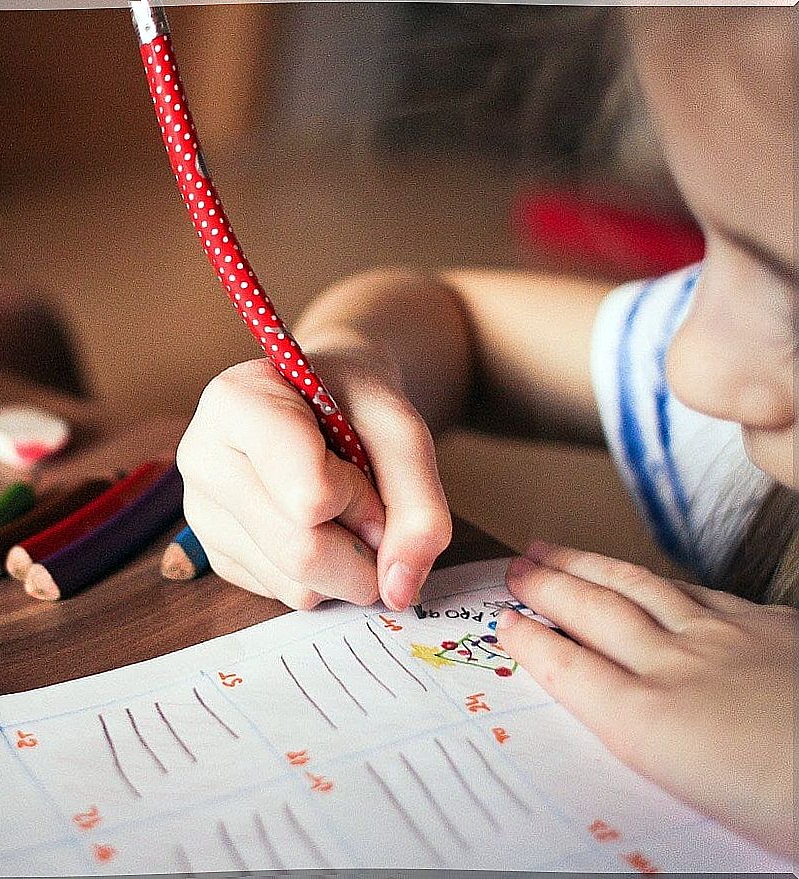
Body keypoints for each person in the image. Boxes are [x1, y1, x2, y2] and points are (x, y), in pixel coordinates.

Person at [175, 7, 794, 856]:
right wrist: (349, 367)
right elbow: (456, 319)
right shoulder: (739, 380)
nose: (688, 363)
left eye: (790, 288)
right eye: (710, 248)